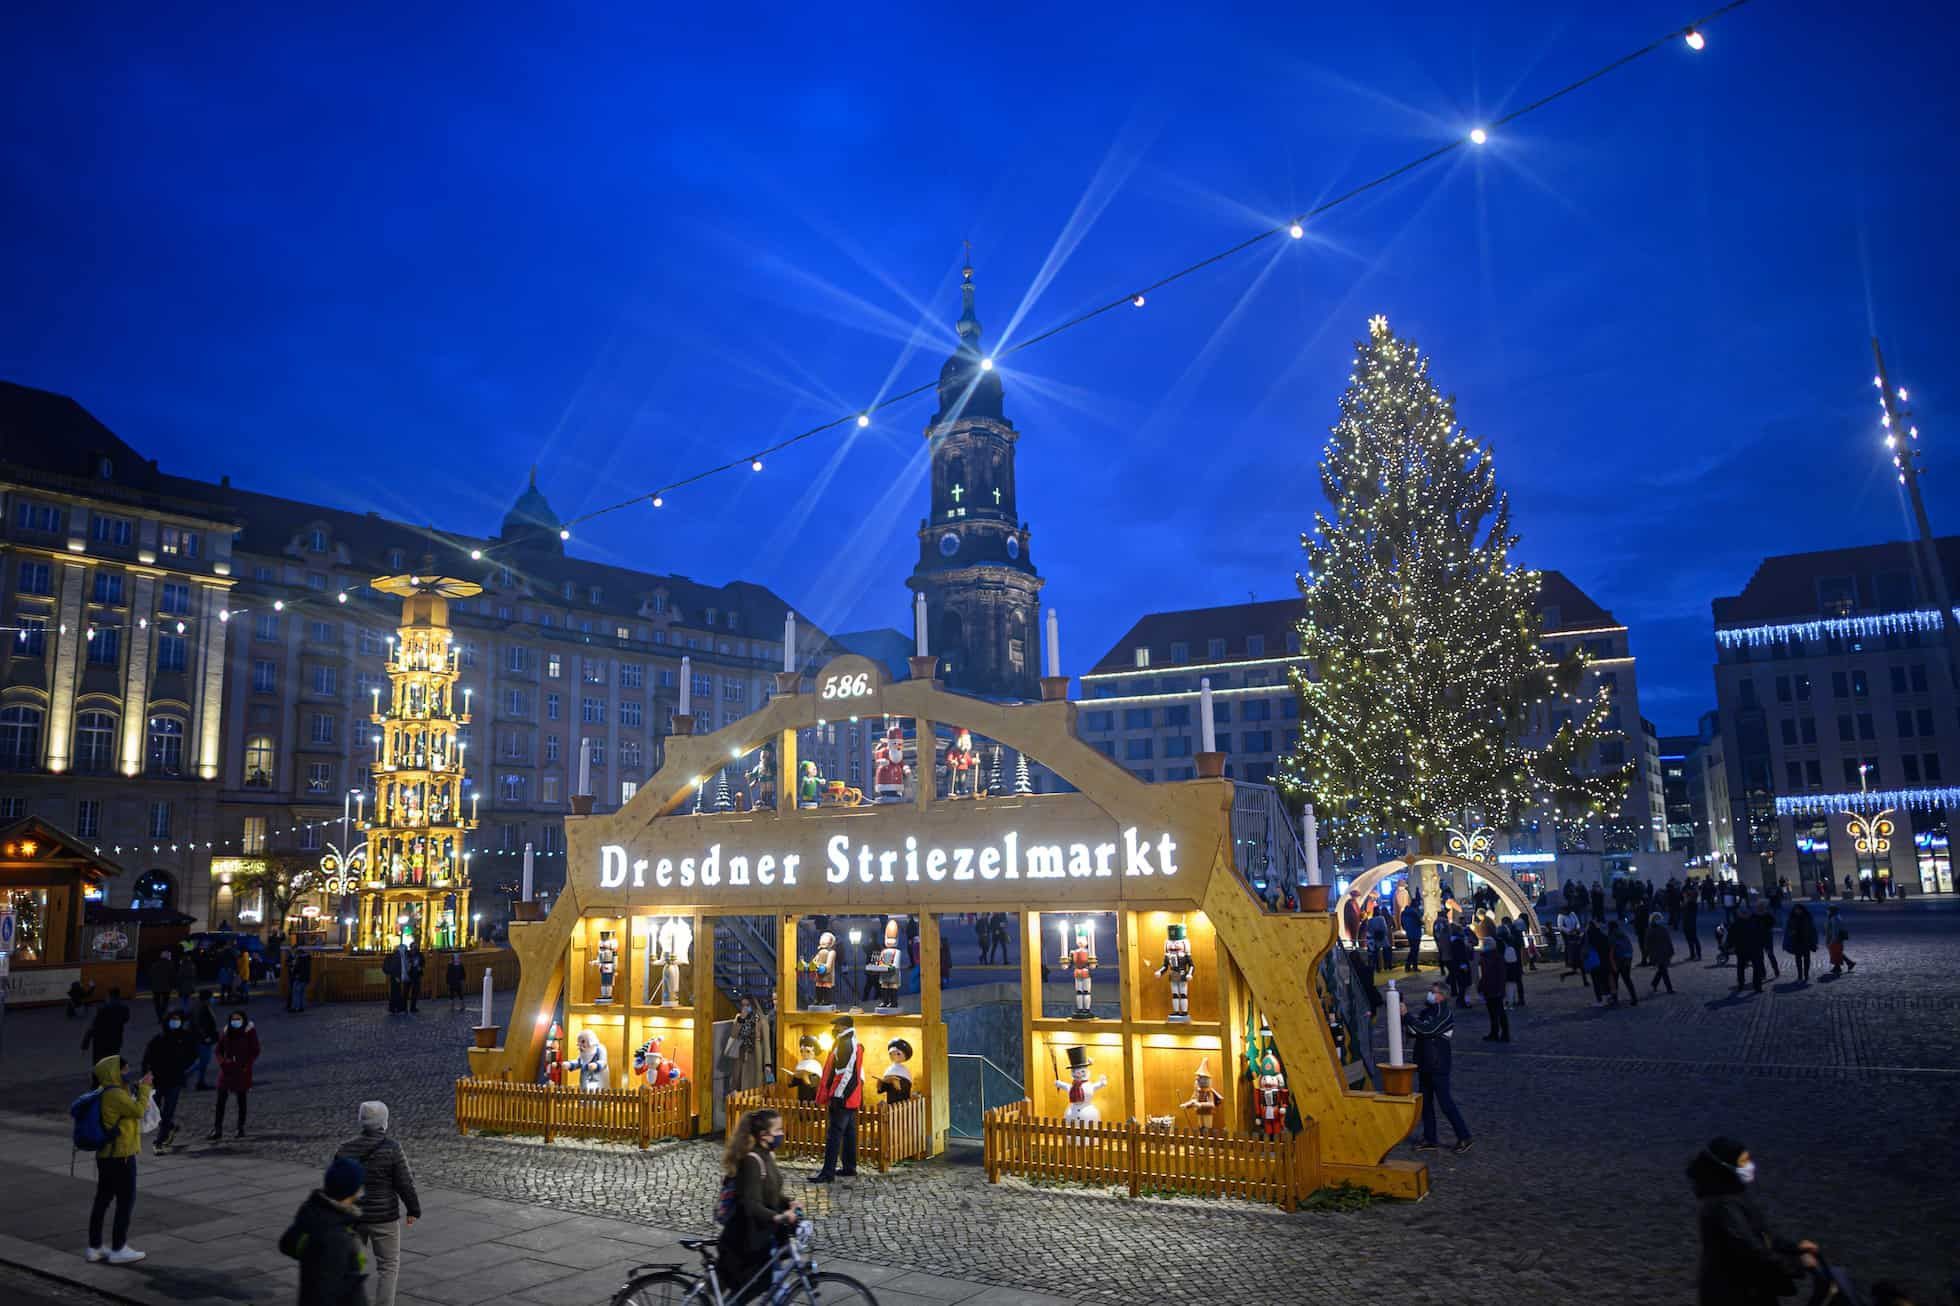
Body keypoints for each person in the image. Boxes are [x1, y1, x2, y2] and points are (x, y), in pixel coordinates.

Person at [1687, 1137, 1816, 1306]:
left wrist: (1795, 1247)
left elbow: (1762, 1233)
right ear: (1725, 1167)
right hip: (1734, 1294)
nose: (1750, 1166)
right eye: (1744, 1162)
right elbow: (1749, 1248)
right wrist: (1798, 1264)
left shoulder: (1732, 1195)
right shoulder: (1723, 1205)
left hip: (1746, 1288)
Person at [335, 1101, 420, 1306]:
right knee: (388, 1265)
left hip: (354, 1217)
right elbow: (404, 1182)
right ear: (384, 1122)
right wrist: (413, 1209)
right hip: (384, 1217)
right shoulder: (392, 1148)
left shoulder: (344, 1149)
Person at [718, 1109, 800, 1302]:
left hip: (760, 1234)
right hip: (743, 1240)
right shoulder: (752, 1161)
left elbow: (769, 1192)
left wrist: (788, 1201)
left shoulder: (767, 1156)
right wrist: (779, 1217)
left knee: (763, 1282)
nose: (781, 1134)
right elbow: (751, 1204)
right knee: (750, 1289)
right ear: (764, 1135)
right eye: (778, 1130)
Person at [83, 1055, 153, 1265]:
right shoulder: (114, 1094)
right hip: (121, 1155)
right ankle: (118, 1248)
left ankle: (94, 1247)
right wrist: (145, 1088)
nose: (126, 1073)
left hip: (105, 1155)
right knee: (126, 1201)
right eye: (124, 1070)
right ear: (115, 1072)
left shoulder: (101, 1091)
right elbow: (139, 1111)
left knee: (102, 1200)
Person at [279, 1157, 370, 1306]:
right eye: (361, 1185)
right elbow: (325, 1292)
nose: (362, 1190)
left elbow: (287, 1244)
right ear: (352, 1190)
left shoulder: (314, 1210)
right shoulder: (335, 1236)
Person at [1401, 980, 1471, 1153]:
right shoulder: (1428, 1011)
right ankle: (1430, 1138)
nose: (1430, 994)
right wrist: (1406, 1020)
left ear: (1441, 996)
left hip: (1438, 1065)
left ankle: (1464, 1137)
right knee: (1426, 1104)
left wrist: (1408, 1017)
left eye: (1434, 992)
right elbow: (1415, 1031)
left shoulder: (1445, 1014)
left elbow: (1427, 1030)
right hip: (1425, 1063)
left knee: (1445, 1103)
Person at [810, 1014, 863, 1183]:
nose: (834, 1029)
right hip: (851, 1097)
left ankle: (828, 1172)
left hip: (843, 1097)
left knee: (834, 1135)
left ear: (844, 1027)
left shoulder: (845, 1044)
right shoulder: (851, 1041)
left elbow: (844, 1074)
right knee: (848, 1133)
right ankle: (849, 1167)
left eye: (837, 1026)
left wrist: (838, 1096)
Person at [139, 1007, 197, 1153]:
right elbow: (146, 1059)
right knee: (154, 1111)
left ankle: (159, 1142)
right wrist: (146, 1076)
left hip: (175, 1080)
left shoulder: (185, 1037)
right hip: (158, 1081)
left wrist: (183, 1067)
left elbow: (193, 1055)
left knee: (168, 1111)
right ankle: (170, 1127)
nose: (175, 1022)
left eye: (178, 1020)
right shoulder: (158, 1039)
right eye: (173, 1019)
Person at [210, 1008, 260, 1139]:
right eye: (233, 1019)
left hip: (242, 1069)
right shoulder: (226, 1032)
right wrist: (222, 1063)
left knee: (241, 1099)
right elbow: (218, 1050)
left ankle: (240, 1128)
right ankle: (217, 1129)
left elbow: (255, 1050)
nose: (235, 1021)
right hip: (227, 1069)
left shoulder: (249, 1032)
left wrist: (246, 1065)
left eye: (238, 1019)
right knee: (220, 1100)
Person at [82, 988, 132, 1069]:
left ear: (109, 996)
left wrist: (85, 1044)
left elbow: (93, 1027)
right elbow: (126, 1019)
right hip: (116, 1040)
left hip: (101, 1041)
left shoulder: (102, 1009)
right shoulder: (124, 1008)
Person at [1476, 936, 1509, 1042]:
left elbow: (1486, 975)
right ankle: (1498, 1033)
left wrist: (1481, 987)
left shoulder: (1489, 958)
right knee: (1496, 1012)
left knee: (1496, 1012)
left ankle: (1501, 1033)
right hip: (1493, 988)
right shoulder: (1493, 957)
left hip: (1492, 988)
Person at [1733, 906, 1767, 995]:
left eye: (1746, 913)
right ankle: (1741, 984)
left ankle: (1757, 986)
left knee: (1756, 968)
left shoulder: (1756, 921)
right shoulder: (1737, 923)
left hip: (1754, 949)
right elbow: (1732, 936)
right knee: (1741, 968)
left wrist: (1763, 944)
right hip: (1742, 949)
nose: (1744, 915)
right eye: (1742, 913)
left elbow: (1762, 933)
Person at [190, 990, 220, 1090]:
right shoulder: (201, 1008)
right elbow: (198, 1025)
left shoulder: (201, 1007)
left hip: (204, 1038)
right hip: (203, 1039)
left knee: (203, 1062)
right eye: (212, 997)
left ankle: (200, 1081)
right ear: (207, 999)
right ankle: (185, 1076)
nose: (213, 999)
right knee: (203, 1061)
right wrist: (205, 1037)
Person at [1783, 902, 1818, 984]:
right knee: (1798, 959)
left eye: (1799, 910)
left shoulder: (1807, 917)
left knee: (1806, 959)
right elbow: (1788, 930)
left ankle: (1806, 974)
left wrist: (1814, 941)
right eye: (1796, 910)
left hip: (1806, 941)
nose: (1797, 911)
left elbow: (1812, 929)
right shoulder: (1792, 918)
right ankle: (1799, 976)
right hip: (1796, 941)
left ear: (1802, 910)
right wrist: (1791, 933)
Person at [1606, 920, 1639, 1005]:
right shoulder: (1623, 934)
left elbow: (1611, 951)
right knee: (1627, 979)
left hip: (1618, 959)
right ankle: (1634, 998)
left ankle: (1615, 998)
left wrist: (1613, 964)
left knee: (1615, 979)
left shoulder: (1612, 936)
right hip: (1628, 958)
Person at [1644, 913, 1676, 994]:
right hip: (1658, 954)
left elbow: (1668, 940)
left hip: (1662, 953)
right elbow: (1647, 944)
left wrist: (1670, 951)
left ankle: (1654, 983)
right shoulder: (1652, 930)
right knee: (1664, 971)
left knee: (1661, 970)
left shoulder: (1659, 929)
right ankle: (1669, 988)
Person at [146, 950, 176, 1025]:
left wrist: (151, 984)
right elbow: (172, 976)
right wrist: (173, 985)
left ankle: (160, 1017)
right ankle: (163, 1014)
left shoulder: (155, 965)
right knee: (165, 1003)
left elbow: (150, 975)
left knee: (157, 1003)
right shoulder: (170, 965)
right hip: (167, 987)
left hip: (156, 987)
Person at [1824, 907, 1856, 974]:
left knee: (1836, 952)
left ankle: (1838, 967)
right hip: (1833, 937)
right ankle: (1848, 963)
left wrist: (1833, 939)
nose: (1827, 912)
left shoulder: (1834, 918)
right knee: (1836, 952)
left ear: (1832, 911)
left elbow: (1835, 930)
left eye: (1828, 910)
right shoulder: (1832, 917)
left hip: (1835, 938)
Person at [1399, 897, 1423, 973]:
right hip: (1416, 933)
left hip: (1409, 933)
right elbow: (1419, 921)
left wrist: (1406, 929)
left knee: (1413, 949)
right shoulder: (1415, 912)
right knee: (1414, 950)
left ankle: (1409, 966)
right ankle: (1412, 966)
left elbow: (1402, 923)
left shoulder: (1404, 912)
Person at [289, 948, 314, 1014]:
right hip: (306, 979)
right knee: (302, 993)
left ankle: (295, 1007)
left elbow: (296, 969)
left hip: (299, 978)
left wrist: (293, 969)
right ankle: (301, 1007)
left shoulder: (300, 959)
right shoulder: (308, 959)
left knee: (296, 993)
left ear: (299, 954)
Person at [1682, 888, 1702, 962]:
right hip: (1687, 923)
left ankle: (1698, 955)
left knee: (1694, 939)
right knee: (1690, 940)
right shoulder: (1689, 903)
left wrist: (1685, 902)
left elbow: (1687, 913)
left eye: (1686, 896)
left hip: (1690, 924)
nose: (1684, 896)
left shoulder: (1692, 904)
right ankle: (1693, 954)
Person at [406, 946, 424, 1014]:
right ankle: (405, 1007)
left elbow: (423, 962)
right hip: (409, 975)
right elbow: (406, 963)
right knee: (406, 991)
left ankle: (413, 1007)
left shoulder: (419, 954)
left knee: (415, 992)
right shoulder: (408, 954)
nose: (414, 950)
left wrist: (420, 967)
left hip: (417, 975)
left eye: (415, 948)